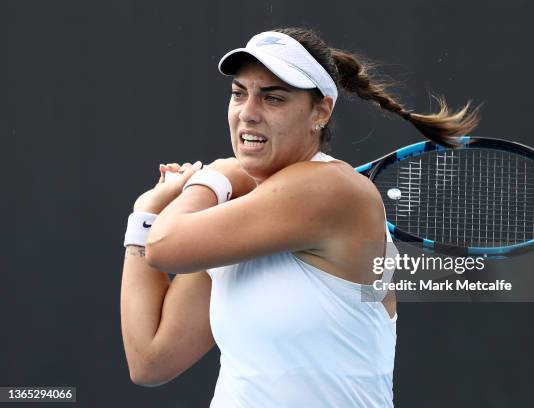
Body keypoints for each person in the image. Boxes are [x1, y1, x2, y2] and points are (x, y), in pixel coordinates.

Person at [120, 27, 480, 407]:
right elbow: (151, 360)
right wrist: (144, 214)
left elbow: (164, 245)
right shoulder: (241, 217)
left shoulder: (332, 188)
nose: (248, 113)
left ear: (321, 112)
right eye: (238, 94)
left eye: (273, 98)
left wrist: (213, 178)